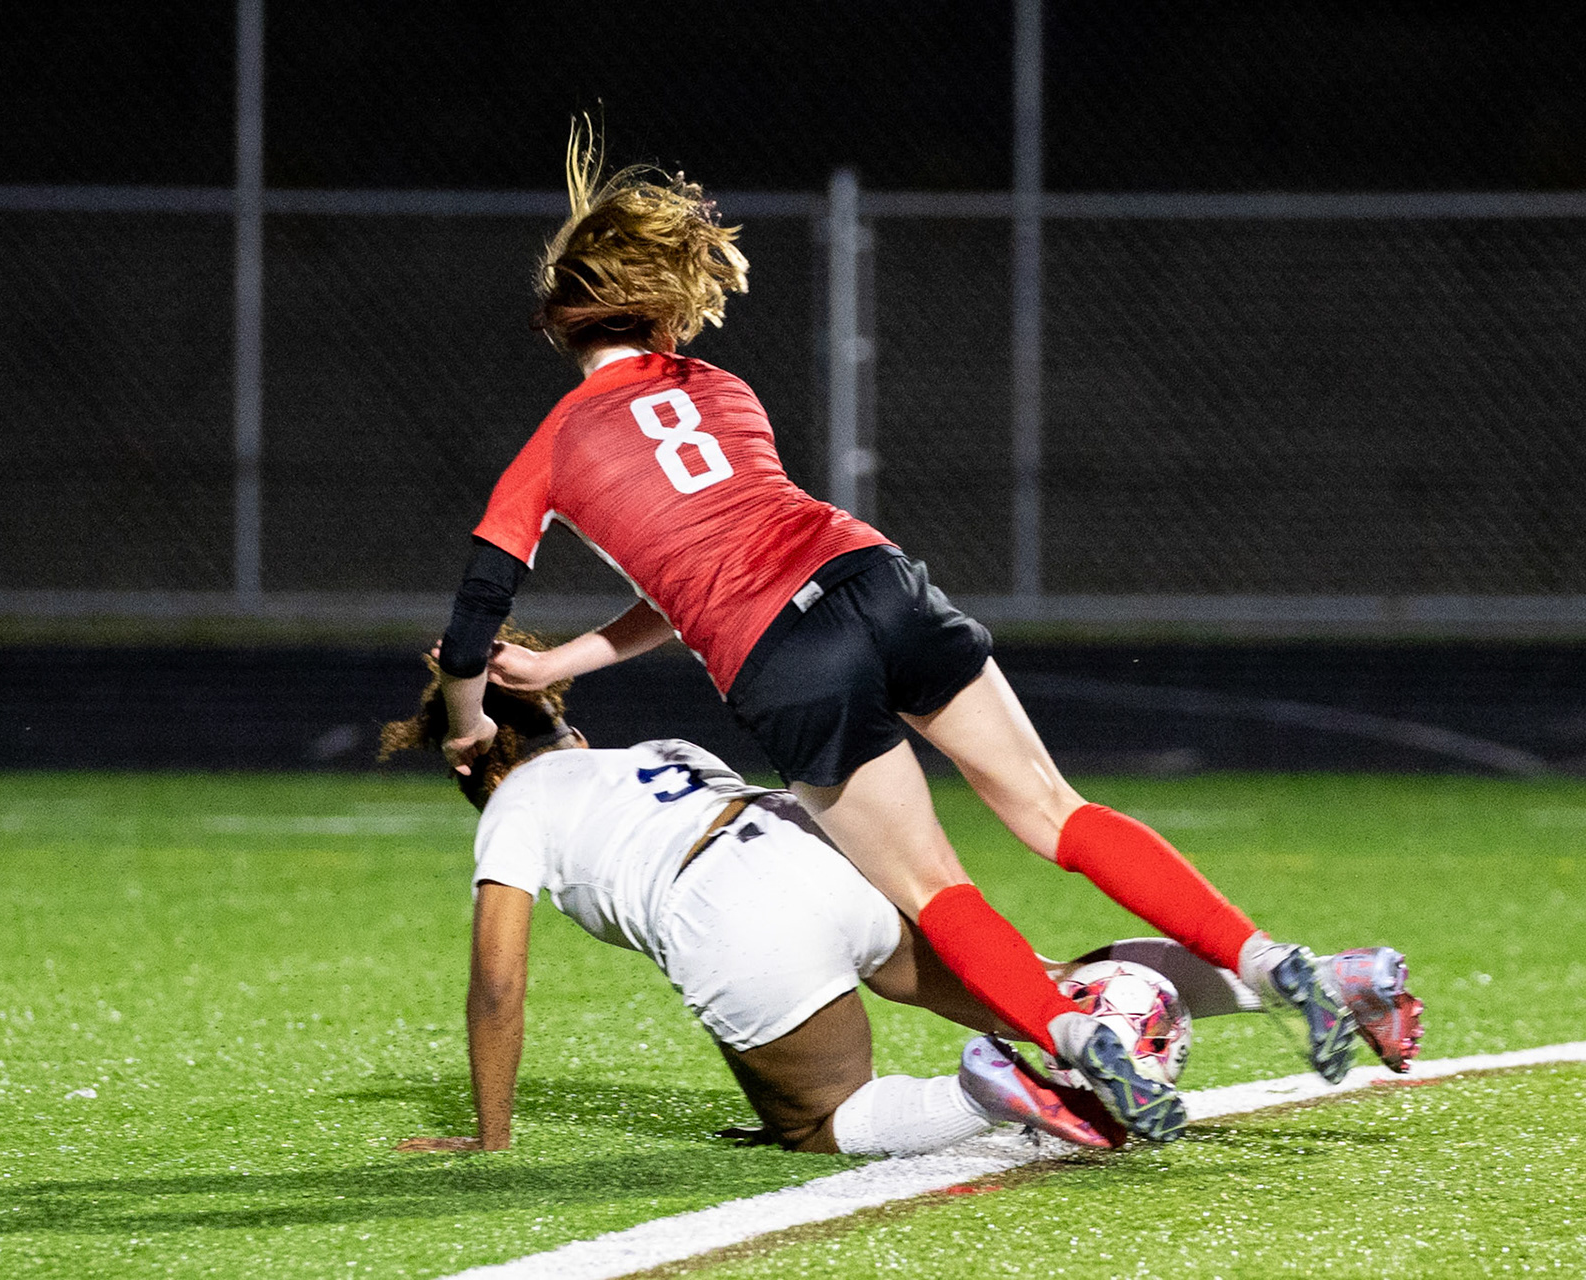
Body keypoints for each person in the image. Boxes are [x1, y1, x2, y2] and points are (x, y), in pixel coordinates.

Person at [431, 126, 1419, 1142]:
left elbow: (471, 637)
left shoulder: (554, 444)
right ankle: (1273, 960)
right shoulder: (718, 390)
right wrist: (564, 661)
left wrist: (472, 721)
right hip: (874, 575)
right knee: (1055, 809)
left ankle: (1080, 1041)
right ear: (659, 306)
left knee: (932, 886)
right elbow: (706, 562)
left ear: (559, 323)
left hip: (785, 655)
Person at [381, 634, 1127, 1156]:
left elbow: (498, 983)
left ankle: (981, 1092)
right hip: (811, 843)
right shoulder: (661, 750)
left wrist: (491, 1136)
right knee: (1022, 998)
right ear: (568, 731)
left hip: (729, 907)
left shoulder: (516, 801)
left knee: (818, 1121)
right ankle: (1134, 1014)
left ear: (472, 769)